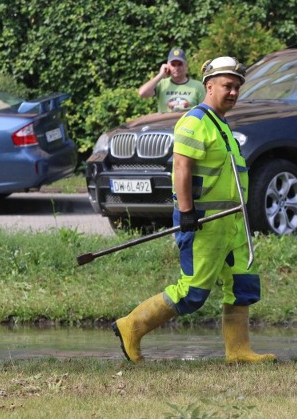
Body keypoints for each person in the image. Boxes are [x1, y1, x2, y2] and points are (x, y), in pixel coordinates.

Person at [113, 56, 276, 365]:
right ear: (208, 85)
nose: (233, 93)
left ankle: (238, 351)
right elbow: (181, 167)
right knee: (193, 292)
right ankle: (131, 326)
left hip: (232, 224)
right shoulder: (194, 121)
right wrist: (187, 213)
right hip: (204, 222)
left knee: (243, 284)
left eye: (237, 87)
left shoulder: (222, 125)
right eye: (227, 86)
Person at [138, 47, 205, 113]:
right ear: (167, 66)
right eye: (173, 65)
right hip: (166, 123)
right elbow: (142, 93)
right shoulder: (161, 84)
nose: (176, 68)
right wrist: (160, 75)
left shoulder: (198, 86)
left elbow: (204, 110)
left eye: (179, 64)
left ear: (186, 66)